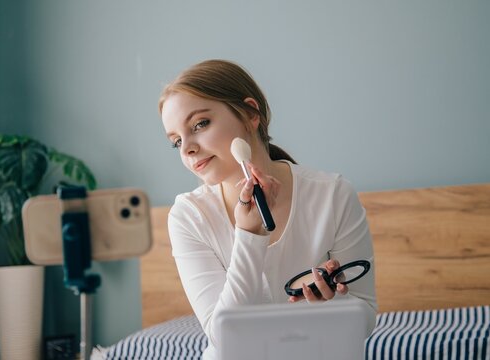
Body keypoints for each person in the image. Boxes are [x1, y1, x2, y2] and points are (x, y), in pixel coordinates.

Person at [159, 59, 377, 359]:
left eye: (200, 124)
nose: (187, 149)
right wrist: (249, 235)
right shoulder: (189, 216)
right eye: (176, 142)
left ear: (250, 114)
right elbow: (222, 335)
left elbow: (365, 317)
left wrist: (326, 302)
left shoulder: (333, 194)